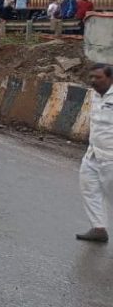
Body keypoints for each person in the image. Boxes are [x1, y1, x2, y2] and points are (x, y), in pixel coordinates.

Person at [77, 64, 113, 243]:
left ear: (110, 78)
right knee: (89, 188)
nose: (93, 81)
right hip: (93, 154)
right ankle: (99, 228)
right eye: (91, 77)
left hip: (111, 157)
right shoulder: (94, 95)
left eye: (98, 78)